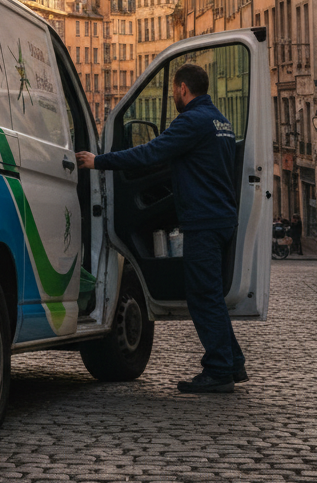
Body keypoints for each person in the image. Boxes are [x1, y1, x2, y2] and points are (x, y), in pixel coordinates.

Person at [76, 63, 245, 395]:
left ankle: (219, 369)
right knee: (211, 295)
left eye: (174, 91)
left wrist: (100, 161)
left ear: (183, 89)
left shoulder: (191, 122)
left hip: (204, 222)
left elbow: (150, 153)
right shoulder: (220, 122)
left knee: (203, 297)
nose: (175, 97)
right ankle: (232, 361)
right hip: (222, 218)